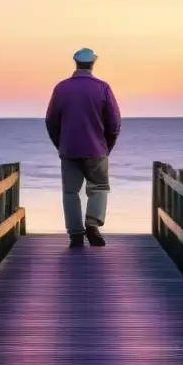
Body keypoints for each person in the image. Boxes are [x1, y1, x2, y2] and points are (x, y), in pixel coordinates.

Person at [44, 47, 122, 247]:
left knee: (70, 192)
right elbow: (114, 123)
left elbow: (51, 120)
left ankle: (75, 234)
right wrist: (106, 147)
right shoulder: (103, 88)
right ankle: (92, 224)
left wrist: (60, 143)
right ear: (92, 63)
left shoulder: (61, 88)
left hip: (69, 148)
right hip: (97, 149)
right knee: (100, 187)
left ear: (76, 63)